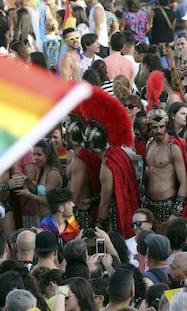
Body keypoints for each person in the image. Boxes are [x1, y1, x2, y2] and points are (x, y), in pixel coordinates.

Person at [80, 87, 139, 238]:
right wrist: (93, 200)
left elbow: (105, 202)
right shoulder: (118, 152)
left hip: (117, 215)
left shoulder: (107, 166)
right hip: (130, 209)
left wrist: (98, 226)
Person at [145, 108, 187, 230]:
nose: (158, 130)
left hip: (168, 205)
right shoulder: (149, 144)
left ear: (166, 126)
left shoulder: (173, 148)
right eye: (155, 127)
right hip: (150, 205)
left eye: (161, 126)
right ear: (150, 127)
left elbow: (184, 182)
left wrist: (176, 212)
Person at [63, 112, 101, 230]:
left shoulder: (78, 162)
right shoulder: (76, 156)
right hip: (79, 212)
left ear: (73, 137)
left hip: (80, 215)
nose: (64, 139)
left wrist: (67, 219)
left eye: (66, 136)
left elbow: (75, 195)